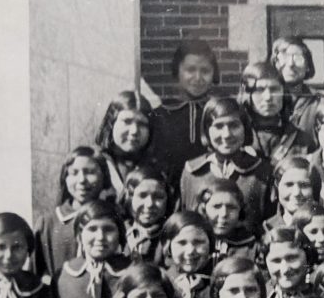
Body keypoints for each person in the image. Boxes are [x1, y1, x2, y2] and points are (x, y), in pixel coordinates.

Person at [51, 200, 131, 298]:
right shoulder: (65, 276)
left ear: (120, 234)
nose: (100, 237)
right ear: (79, 234)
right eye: (92, 229)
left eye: (108, 229)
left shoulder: (131, 272)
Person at [179, 96, 271, 231]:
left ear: (245, 128)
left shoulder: (262, 171)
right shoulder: (192, 172)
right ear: (206, 130)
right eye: (218, 126)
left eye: (234, 125)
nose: (226, 134)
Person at [148, 38, 221, 184]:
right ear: (177, 71)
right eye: (190, 70)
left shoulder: (219, 112)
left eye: (205, 71)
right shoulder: (160, 115)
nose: (198, 77)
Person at [34, 146, 113, 280]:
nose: (82, 180)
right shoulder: (48, 223)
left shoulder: (114, 218)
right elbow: (36, 272)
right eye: (74, 173)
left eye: (90, 172)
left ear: (104, 176)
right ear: (65, 178)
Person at [238, 60, 313, 167]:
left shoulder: (301, 139)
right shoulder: (238, 137)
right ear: (247, 94)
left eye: (274, 89)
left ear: (284, 93)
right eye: (260, 90)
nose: (268, 97)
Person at [95, 90, 156, 194]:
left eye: (142, 124)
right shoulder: (95, 163)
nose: (134, 131)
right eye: (127, 121)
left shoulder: (157, 170)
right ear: (111, 123)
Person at [272, 36, 322, 143]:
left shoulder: (319, 102)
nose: (290, 64)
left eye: (298, 58)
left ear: (308, 66)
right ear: (275, 63)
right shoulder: (264, 99)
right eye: (284, 57)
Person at [161, 210, 215, 298]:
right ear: (168, 247)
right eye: (182, 243)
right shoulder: (163, 283)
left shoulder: (217, 284)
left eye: (198, 242)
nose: (190, 251)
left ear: (210, 244)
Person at [198, 178, 258, 266]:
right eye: (216, 206)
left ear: (240, 211)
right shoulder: (195, 242)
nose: (223, 214)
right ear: (204, 209)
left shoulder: (251, 247)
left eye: (231, 207)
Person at [120, 166, 172, 265]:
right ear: (129, 197)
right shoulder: (120, 231)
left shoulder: (170, 236)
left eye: (158, 197)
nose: (149, 204)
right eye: (142, 196)